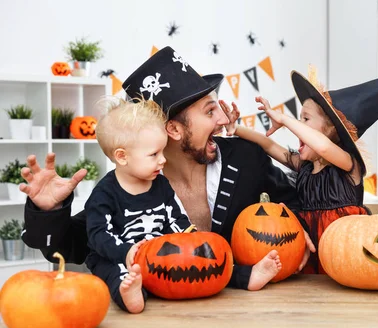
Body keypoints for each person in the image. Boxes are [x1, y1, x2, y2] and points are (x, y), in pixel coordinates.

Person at [20, 46, 304, 291]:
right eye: (209, 111)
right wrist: (48, 211)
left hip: (248, 309)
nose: (223, 119)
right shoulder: (126, 185)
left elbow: (294, 200)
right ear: (174, 129)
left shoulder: (246, 158)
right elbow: (67, 248)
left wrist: (301, 230)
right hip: (160, 316)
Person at [224, 64, 378, 274]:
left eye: (306, 119)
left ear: (331, 130)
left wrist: (285, 119)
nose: (298, 125)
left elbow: (324, 147)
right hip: (310, 256)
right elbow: (268, 145)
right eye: (299, 119)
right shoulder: (303, 166)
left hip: (346, 254)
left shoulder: (348, 165)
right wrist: (235, 128)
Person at [86, 98, 191, 313]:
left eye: (163, 152)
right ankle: (129, 295)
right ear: (122, 157)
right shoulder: (104, 194)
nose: (163, 160)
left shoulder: (161, 184)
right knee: (118, 274)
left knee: (202, 260)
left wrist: (191, 237)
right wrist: (125, 253)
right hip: (118, 257)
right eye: (154, 154)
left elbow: (176, 218)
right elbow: (99, 235)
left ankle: (242, 275)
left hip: (157, 256)